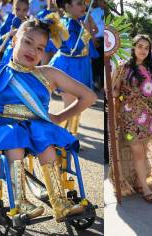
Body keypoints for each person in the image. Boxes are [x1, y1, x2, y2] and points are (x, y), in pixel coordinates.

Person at [0, 18, 97, 222]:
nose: (33, 51)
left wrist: (59, 117)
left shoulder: (47, 73)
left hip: (33, 127)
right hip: (1, 126)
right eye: (27, 42)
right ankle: (20, 202)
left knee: (44, 134)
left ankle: (60, 202)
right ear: (14, 42)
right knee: (15, 133)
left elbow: (89, 97)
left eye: (40, 48)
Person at [110, 34, 152, 202]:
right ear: (133, 47)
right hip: (129, 116)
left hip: (148, 116)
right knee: (138, 151)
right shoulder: (122, 67)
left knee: (144, 149)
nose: (143, 50)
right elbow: (115, 91)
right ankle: (145, 187)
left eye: (146, 48)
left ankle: (140, 181)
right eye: (140, 46)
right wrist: (111, 92)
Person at [49, 0, 99, 135]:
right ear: (67, 6)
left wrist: (88, 29)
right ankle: (65, 138)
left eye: (84, 3)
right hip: (70, 67)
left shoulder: (77, 21)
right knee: (72, 106)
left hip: (80, 65)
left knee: (77, 105)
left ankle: (70, 137)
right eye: (79, 3)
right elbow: (74, 49)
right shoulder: (69, 23)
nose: (84, 7)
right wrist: (86, 33)